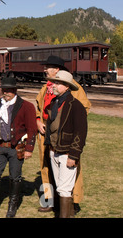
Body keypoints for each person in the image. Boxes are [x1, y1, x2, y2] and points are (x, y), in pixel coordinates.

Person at [36, 55, 91, 214]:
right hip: (46, 138)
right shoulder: (45, 88)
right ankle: (48, 201)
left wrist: (64, 126)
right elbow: (38, 108)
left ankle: (70, 205)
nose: (45, 70)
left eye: (48, 67)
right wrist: (38, 121)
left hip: (64, 140)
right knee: (46, 169)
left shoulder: (75, 88)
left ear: (57, 69)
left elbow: (83, 110)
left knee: (67, 175)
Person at [0, 77, 37, 218]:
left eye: (10, 90)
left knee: (15, 177)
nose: (7, 92)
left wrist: (29, 148)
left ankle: (12, 206)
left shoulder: (26, 106)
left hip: (16, 147)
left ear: (15, 90)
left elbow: (32, 128)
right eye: (5, 90)